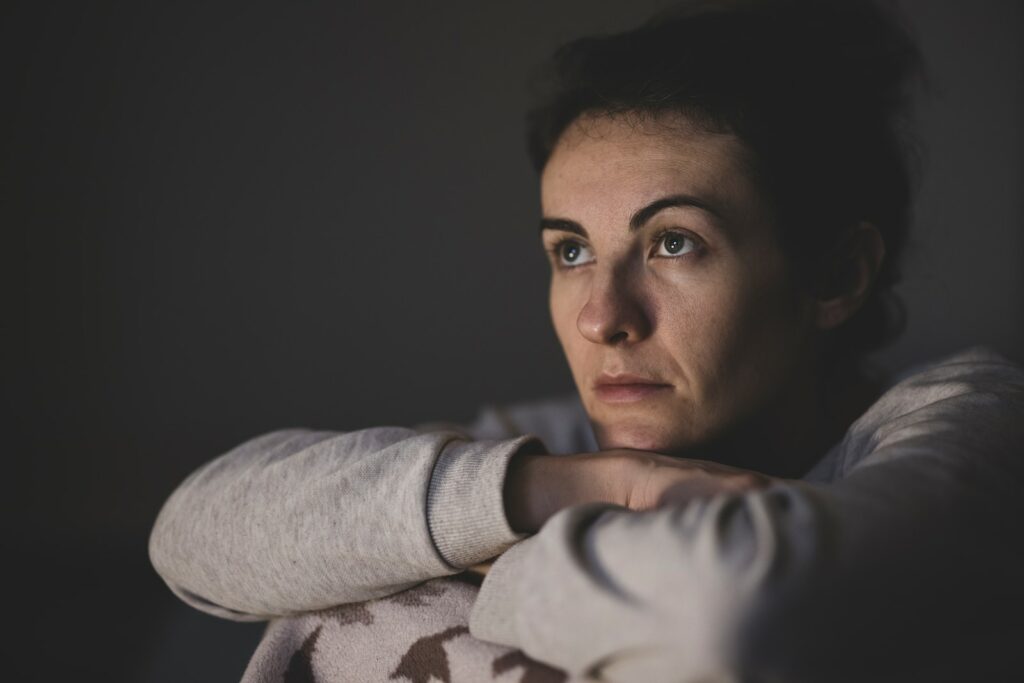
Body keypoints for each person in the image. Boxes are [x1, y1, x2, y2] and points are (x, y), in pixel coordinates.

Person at [148, 1, 1024, 681]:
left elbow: (732, 611)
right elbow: (191, 535)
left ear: (834, 276)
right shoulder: (558, 449)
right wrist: (557, 488)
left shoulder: (971, 425)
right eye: (570, 250)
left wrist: (480, 556)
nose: (603, 315)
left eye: (673, 242)